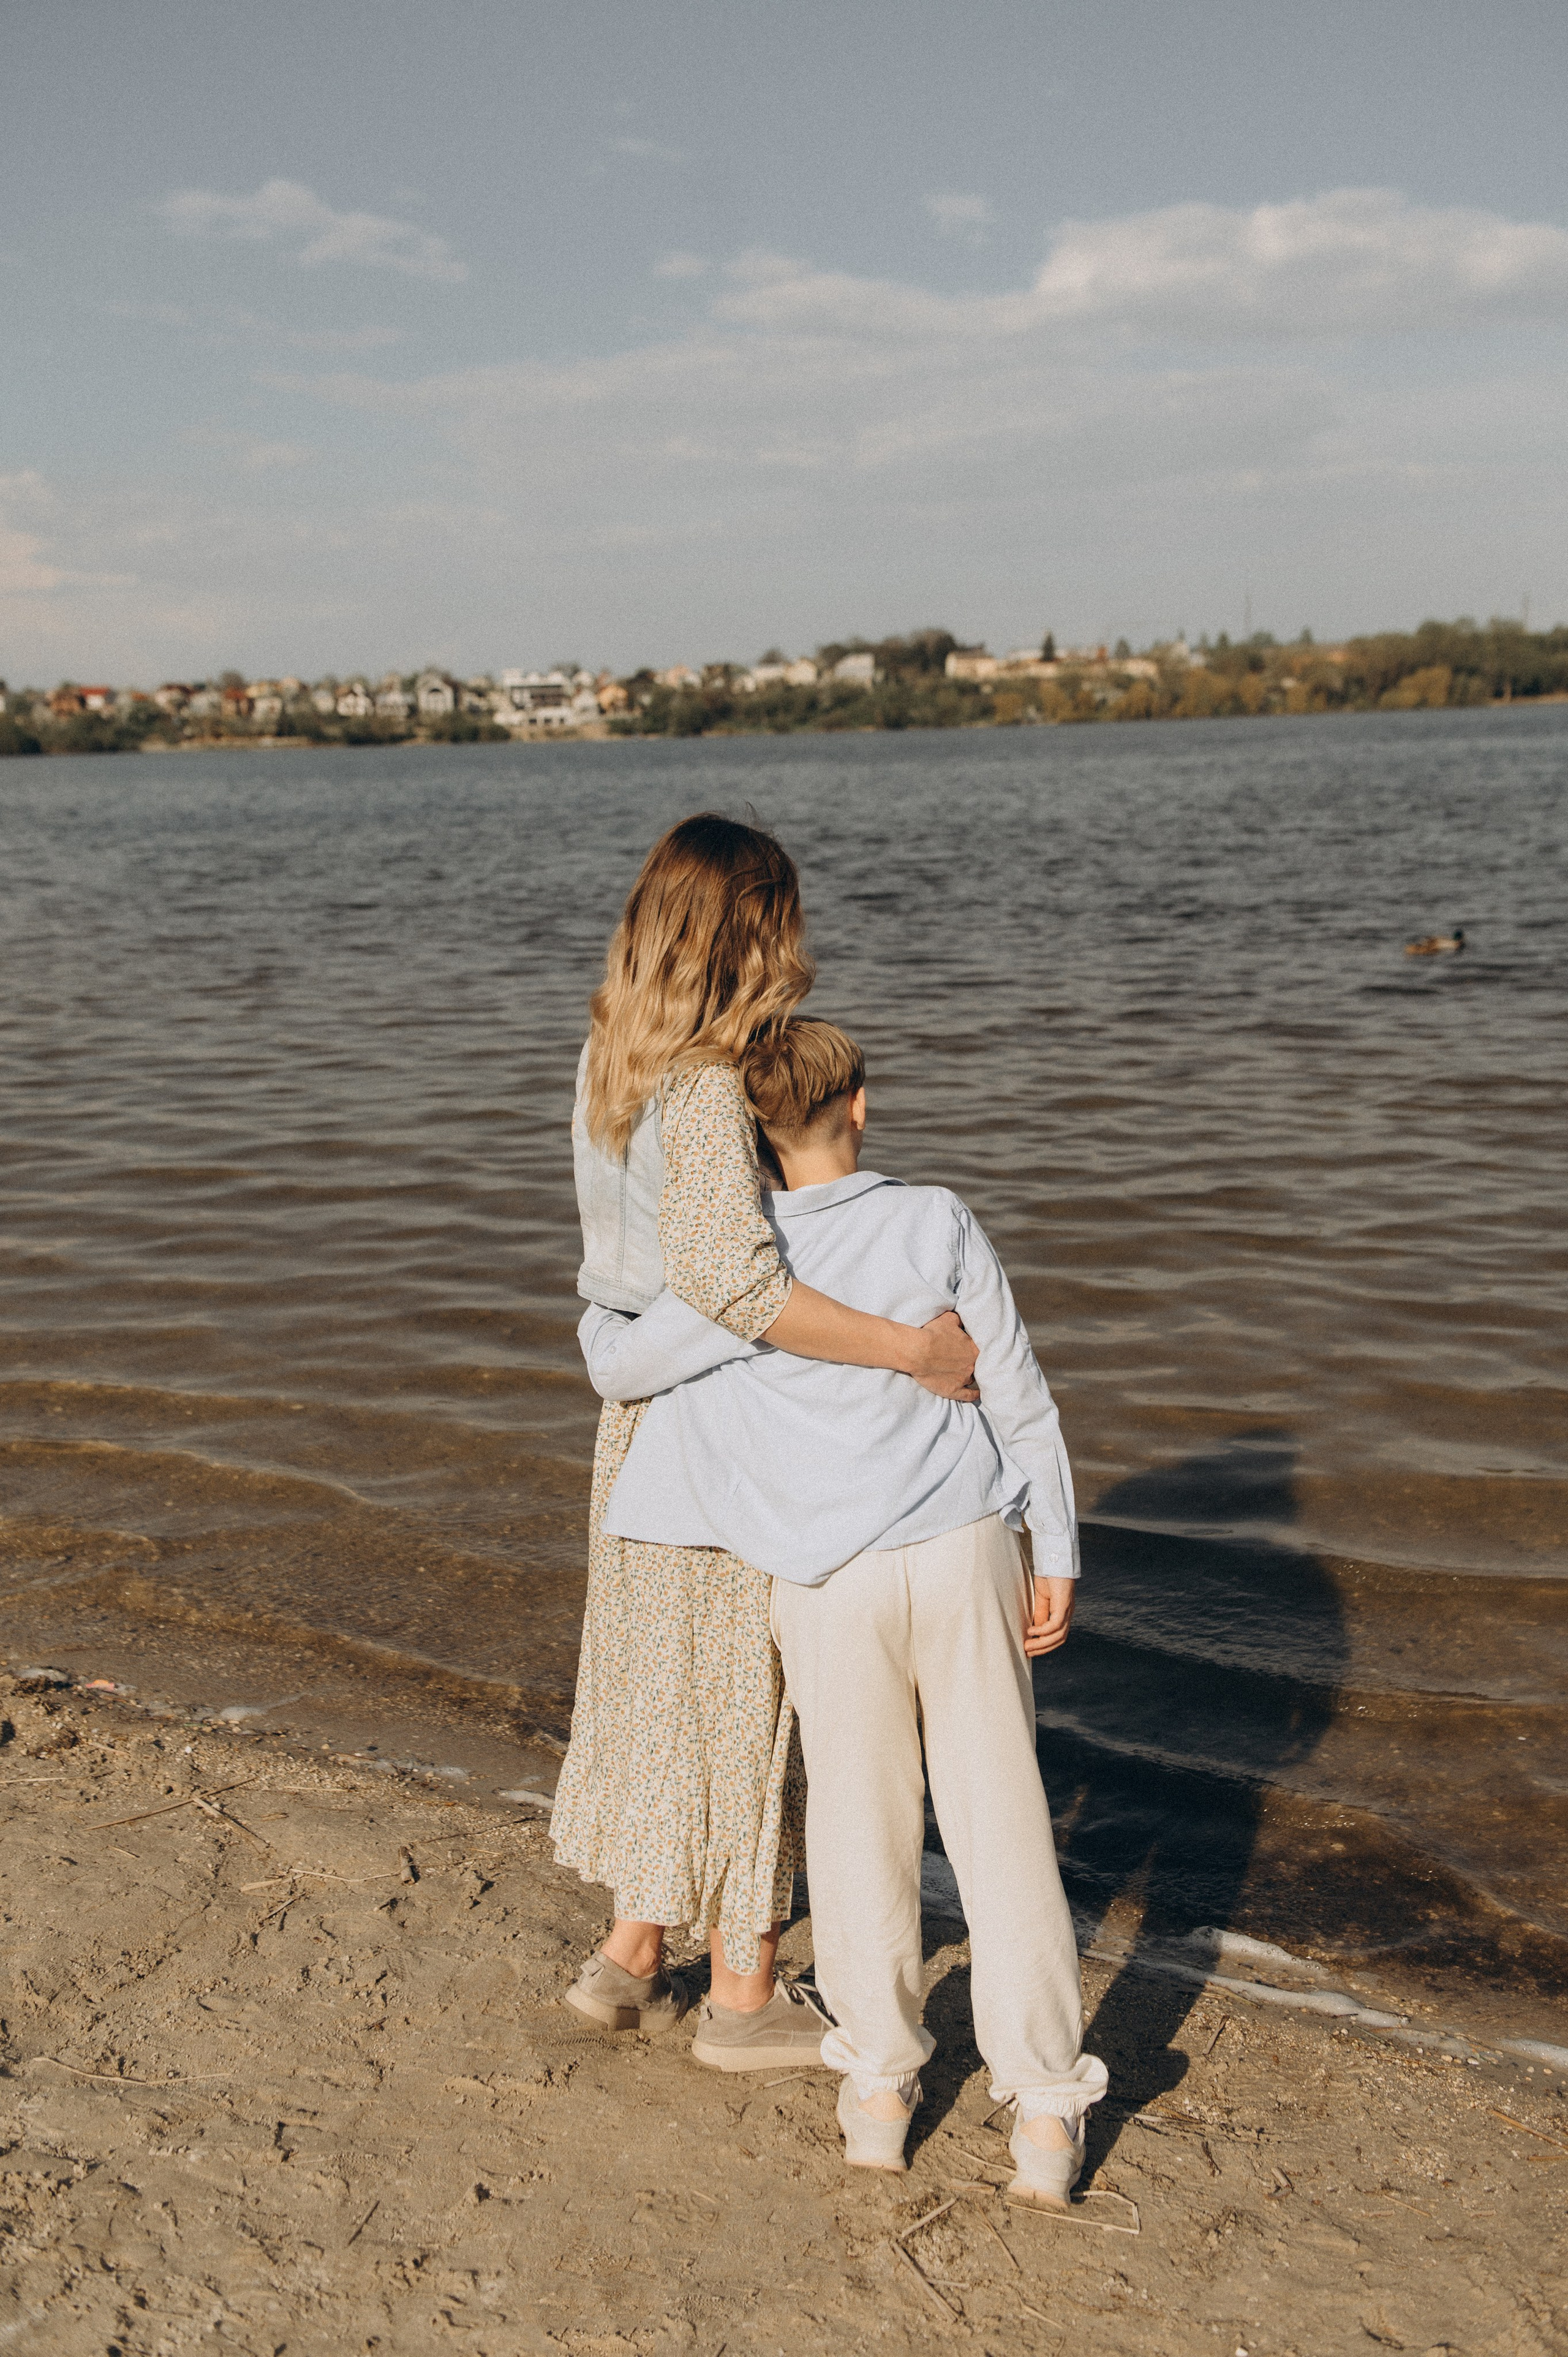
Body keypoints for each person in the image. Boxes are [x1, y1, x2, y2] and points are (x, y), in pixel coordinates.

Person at [581, 1018, 1107, 2206]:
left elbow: (616, 1366)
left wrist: (595, 1300)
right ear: (859, 1102)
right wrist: (1055, 1544)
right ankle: (1039, 2113)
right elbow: (1017, 1392)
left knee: (859, 1830)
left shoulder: (737, 1268)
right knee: (998, 1819)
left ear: (751, 1135)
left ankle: (878, 2090)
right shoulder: (935, 1219)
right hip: (962, 1545)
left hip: (826, 1579)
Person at [550, 817, 980, 2073]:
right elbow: (740, 1288)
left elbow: (640, 1274)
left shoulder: (608, 1058)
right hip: (719, 1419)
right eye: (784, 918)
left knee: (654, 1681)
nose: (798, 942)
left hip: (634, 1416)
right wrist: (909, 1351)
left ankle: (631, 1951)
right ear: (749, 930)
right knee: (743, 1696)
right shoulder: (701, 1082)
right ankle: (742, 1989)